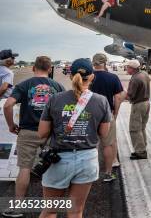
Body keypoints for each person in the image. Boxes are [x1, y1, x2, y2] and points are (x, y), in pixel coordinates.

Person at [38, 58, 112, 218]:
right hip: (87, 158)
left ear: (71, 76)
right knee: (76, 211)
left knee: (50, 210)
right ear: (92, 77)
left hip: (59, 159)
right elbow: (104, 134)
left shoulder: (55, 99)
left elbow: (42, 133)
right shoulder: (101, 101)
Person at [2, 56, 64, 218]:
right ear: (50, 69)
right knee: (52, 167)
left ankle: (17, 208)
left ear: (33, 68)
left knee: (24, 168)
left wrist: (11, 125)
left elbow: (8, 104)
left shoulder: (24, 85)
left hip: (28, 131)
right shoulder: (58, 86)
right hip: (50, 132)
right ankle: (51, 208)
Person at [90, 53, 125, 182]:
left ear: (93, 63)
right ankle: (108, 173)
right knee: (108, 144)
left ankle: (88, 172)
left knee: (89, 144)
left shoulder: (89, 77)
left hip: (89, 115)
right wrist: (115, 113)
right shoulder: (113, 77)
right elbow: (118, 97)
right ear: (105, 63)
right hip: (106, 114)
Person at [125, 59, 150, 160]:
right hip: (146, 103)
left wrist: (122, 94)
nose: (126, 68)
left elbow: (130, 95)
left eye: (127, 67)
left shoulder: (135, 79)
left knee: (134, 128)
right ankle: (143, 147)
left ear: (132, 68)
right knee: (142, 127)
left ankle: (140, 152)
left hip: (138, 105)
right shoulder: (144, 74)